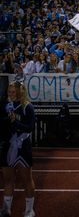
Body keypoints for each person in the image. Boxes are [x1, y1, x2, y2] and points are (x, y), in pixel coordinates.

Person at [0, 81, 36, 217]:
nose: (11, 94)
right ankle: (6, 208)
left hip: (22, 146)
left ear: (21, 92)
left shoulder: (27, 107)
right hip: (8, 145)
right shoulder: (5, 106)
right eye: (9, 92)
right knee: (7, 179)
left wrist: (16, 122)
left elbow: (30, 127)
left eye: (13, 92)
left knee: (27, 178)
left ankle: (29, 210)